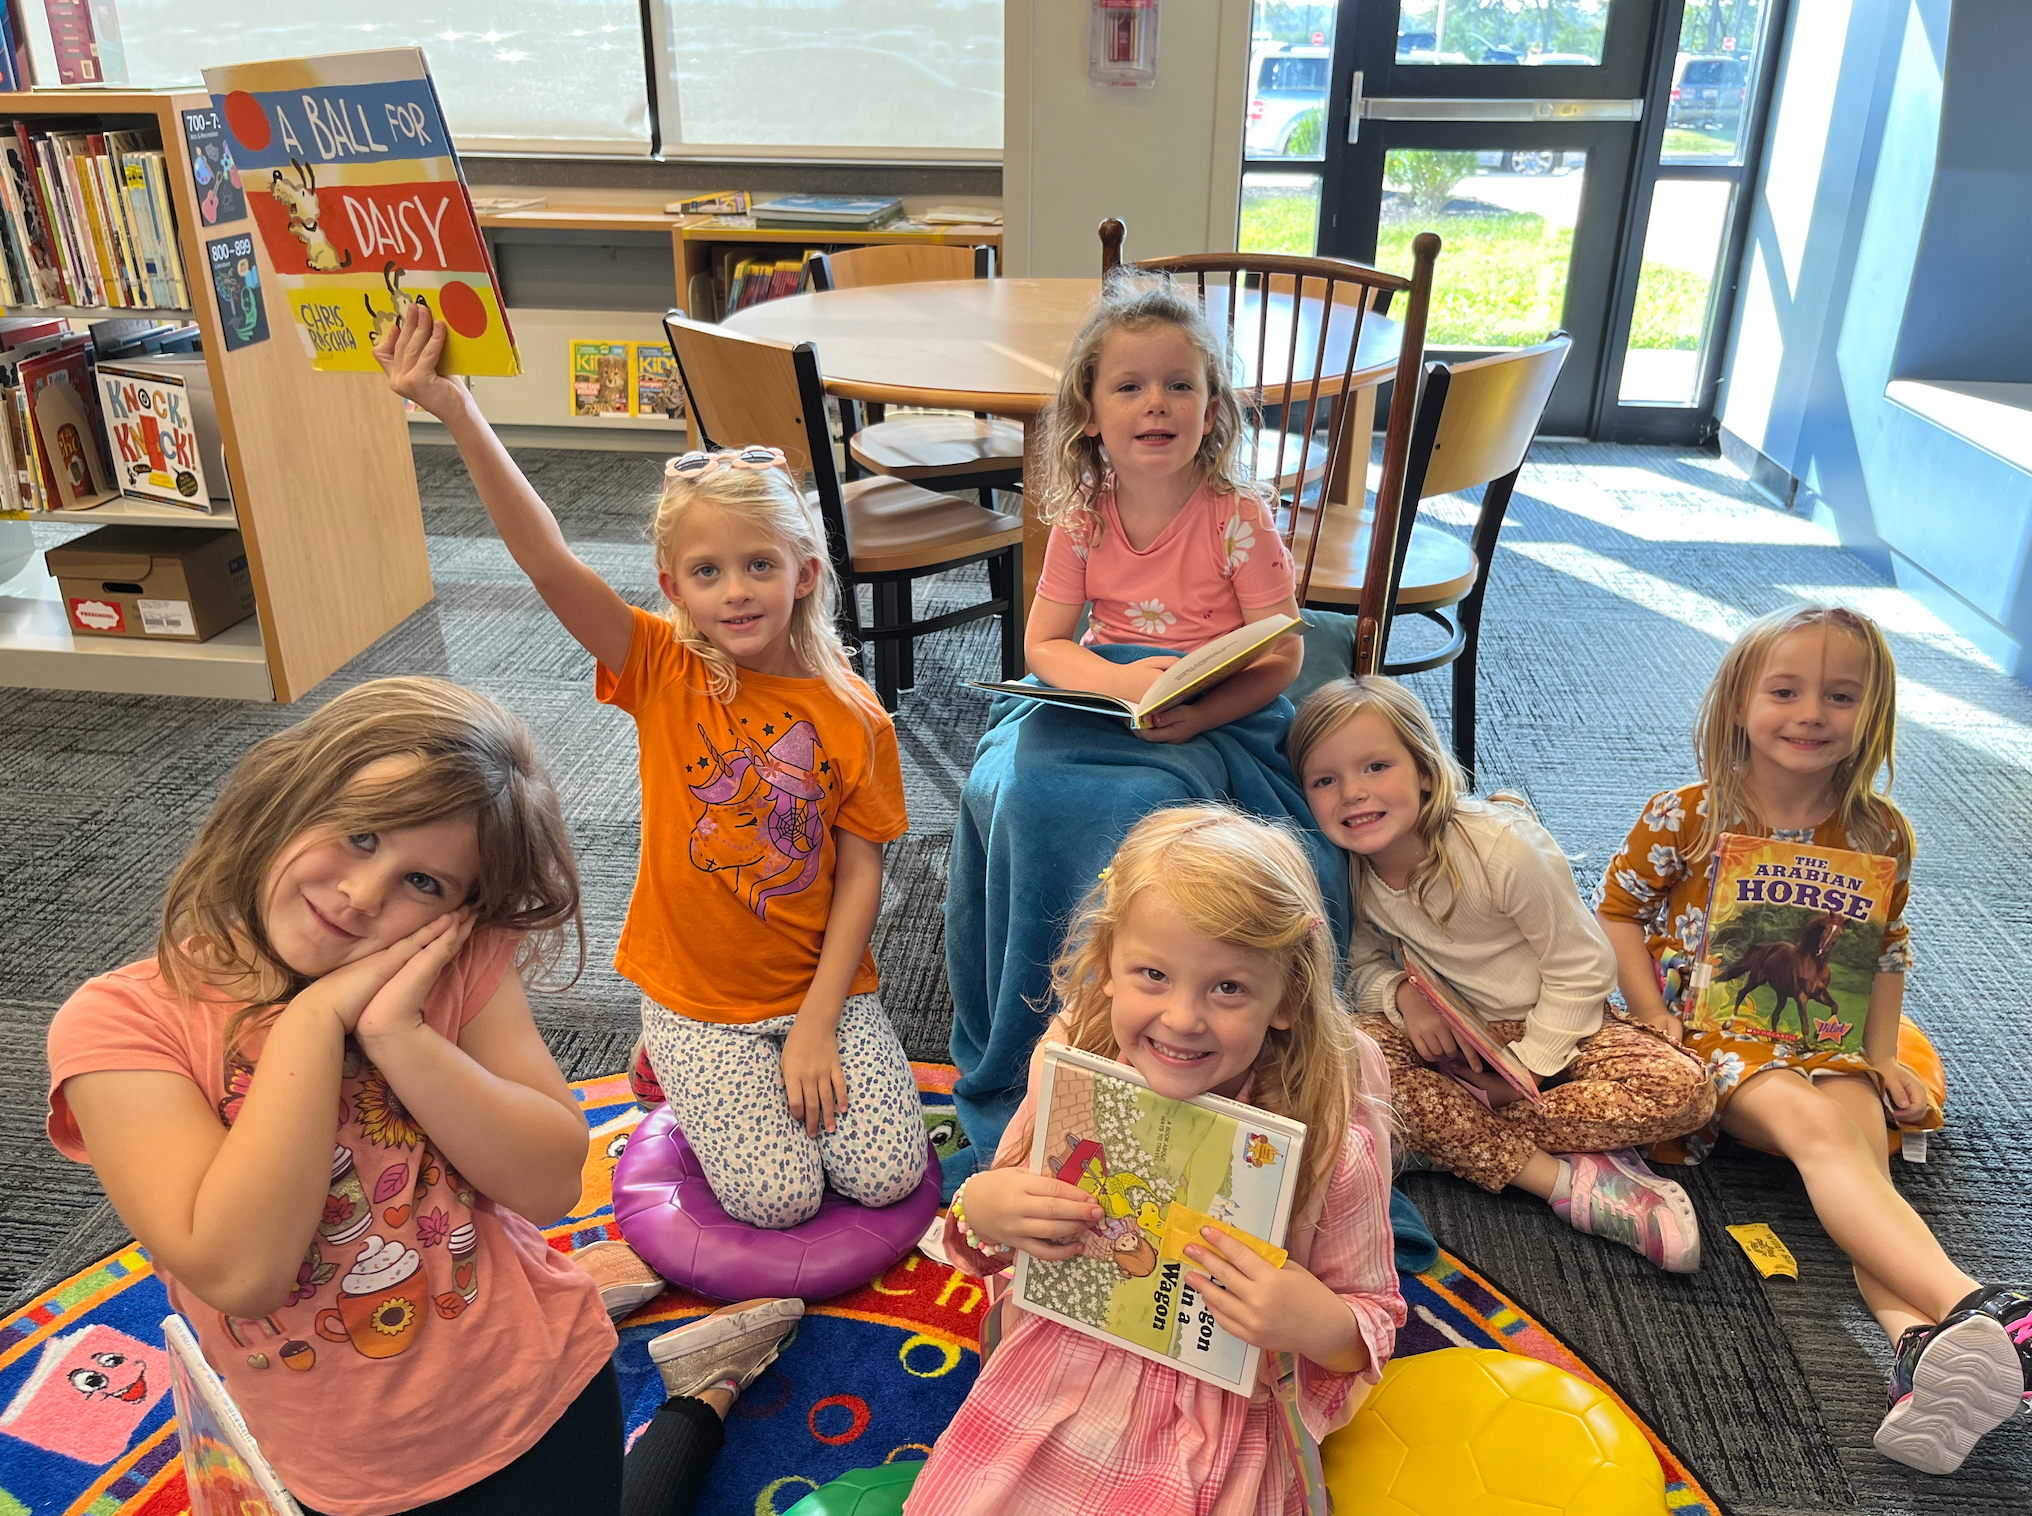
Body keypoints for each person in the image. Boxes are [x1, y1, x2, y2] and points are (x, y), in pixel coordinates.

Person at [44, 678, 803, 1515]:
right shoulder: (121, 1024)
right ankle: (701, 1384)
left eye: (426, 885)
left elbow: (550, 1183)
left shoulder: (451, 967)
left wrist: (399, 1037)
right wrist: (313, 1024)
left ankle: (703, 1394)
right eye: (361, 835)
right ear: (286, 797)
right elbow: (240, 1269)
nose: (365, 896)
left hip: (545, 1390)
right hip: (353, 1471)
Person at [379, 302, 924, 1235]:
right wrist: (458, 411)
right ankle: (662, 1053)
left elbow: (864, 868)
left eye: (759, 564)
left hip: (815, 989)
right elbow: (547, 561)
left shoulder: (852, 714)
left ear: (803, 571)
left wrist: (819, 1021)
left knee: (883, 1174)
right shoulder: (663, 666)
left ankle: (772, 1059)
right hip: (694, 999)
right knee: (782, 1200)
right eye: (706, 572)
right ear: (672, 587)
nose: (736, 590)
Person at [1596, 603, 2029, 1474]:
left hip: (1828, 1034)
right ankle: (1981, 1306)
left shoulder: (1878, 832)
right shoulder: (1688, 813)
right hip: (1720, 1034)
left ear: (1872, 714)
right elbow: (1617, 913)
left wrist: (1878, 1057)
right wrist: (1649, 1015)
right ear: (1739, 705)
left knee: (1864, 1167)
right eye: (1786, 691)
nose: (1812, 714)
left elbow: (1888, 949)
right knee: (1827, 1139)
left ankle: (1921, 1351)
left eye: (1841, 696)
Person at [945, 276, 1347, 1192]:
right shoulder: (1083, 516)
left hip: (1219, 703)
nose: (1155, 404)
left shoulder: (1238, 517)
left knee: (1165, 814)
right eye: (1129, 387)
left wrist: (1194, 714)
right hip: (1098, 693)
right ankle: (1062, 1027)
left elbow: (1283, 656)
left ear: (1213, 408)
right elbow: (1045, 644)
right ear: (1089, 412)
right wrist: (1120, 679)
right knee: (1031, 792)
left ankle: (1171, 1022)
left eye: (1179, 385)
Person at [909, 805, 1403, 1515]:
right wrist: (984, 1204)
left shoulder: (1326, 1147)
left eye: (1227, 987)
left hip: (1220, 1410)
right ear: (1108, 966)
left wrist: (1311, 1319)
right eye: (1153, 974)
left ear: (1287, 999)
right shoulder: (1075, 1068)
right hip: (1062, 1361)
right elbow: (989, 1232)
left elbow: (1374, 1320)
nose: (1181, 1019)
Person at [1289, 677, 1716, 1273]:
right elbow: (1360, 964)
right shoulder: (1349, 869)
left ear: (1426, 772)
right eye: (1325, 780)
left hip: (1564, 1026)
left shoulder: (1503, 849)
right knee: (1346, 1064)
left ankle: (1451, 1137)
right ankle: (1565, 1180)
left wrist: (1530, 1068)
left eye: (1376, 766)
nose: (1353, 794)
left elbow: (1583, 965)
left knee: (1686, 1092)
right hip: (1457, 1033)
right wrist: (1405, 995)